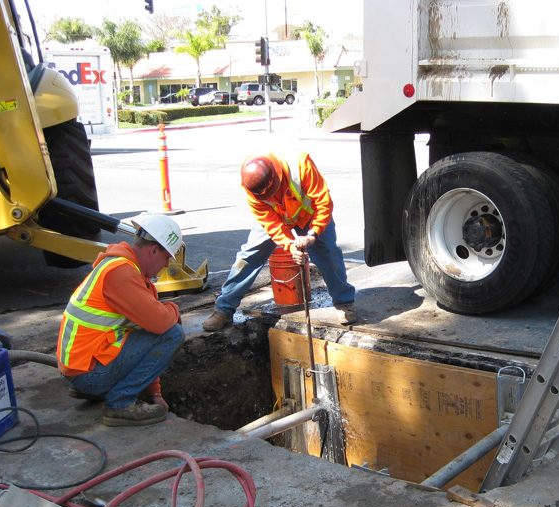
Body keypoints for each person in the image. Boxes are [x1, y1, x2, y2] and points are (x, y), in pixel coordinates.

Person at [202, 151, 356, 331]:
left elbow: (323, 202)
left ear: (277, 177)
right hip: (278, 218)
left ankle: (344, 302)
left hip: (311, 216)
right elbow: (271, 224)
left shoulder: (301, 166)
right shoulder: (251, 187)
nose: (269, 197)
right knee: (248, 256)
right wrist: (290, 245)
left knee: (327, 252)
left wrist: (312, 235)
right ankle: (224, 309)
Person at [56, 214, 186, 427]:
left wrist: (155, 393)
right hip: (87, 374)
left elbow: (149, 336)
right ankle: (119, 404)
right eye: (166, 258)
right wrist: (173, 308)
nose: (166, 265)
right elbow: (162, 326)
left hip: (83, 366)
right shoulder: (121, 274)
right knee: (174, 333)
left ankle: (102, 388)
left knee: (163, 329)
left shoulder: (125, 270)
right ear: (154, 250)